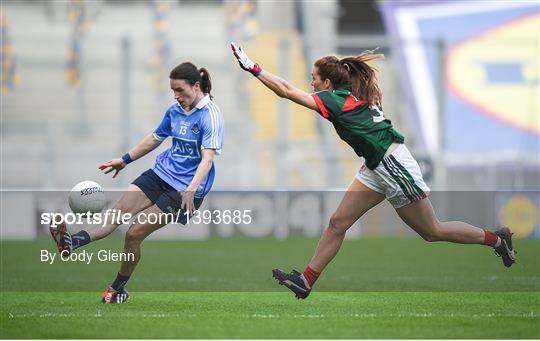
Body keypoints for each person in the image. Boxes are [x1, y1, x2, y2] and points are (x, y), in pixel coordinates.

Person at [230, 42, 516, 299]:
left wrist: (253, 67)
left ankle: (496, 238)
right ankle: (306, 280)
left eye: (314, 77)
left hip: (392, 165)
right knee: (338, 222)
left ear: (327, 82)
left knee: (432, 231)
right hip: (376, 165)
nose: (310, 81)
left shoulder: (332, 99)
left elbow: (287, 91)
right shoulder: (344, 95)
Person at [49, 62, 224, 303]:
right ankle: (71, 242)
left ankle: (118, 288)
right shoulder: (174, 110)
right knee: (118, 212)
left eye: (180, 90)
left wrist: (191, 190)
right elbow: (155, 138)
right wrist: (124, 159)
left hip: (185, 188)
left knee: (134, 233)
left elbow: (207, 158)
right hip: (161, 173)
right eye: (173, 90)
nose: (176, 96)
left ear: (196, 86)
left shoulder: (211, 115)